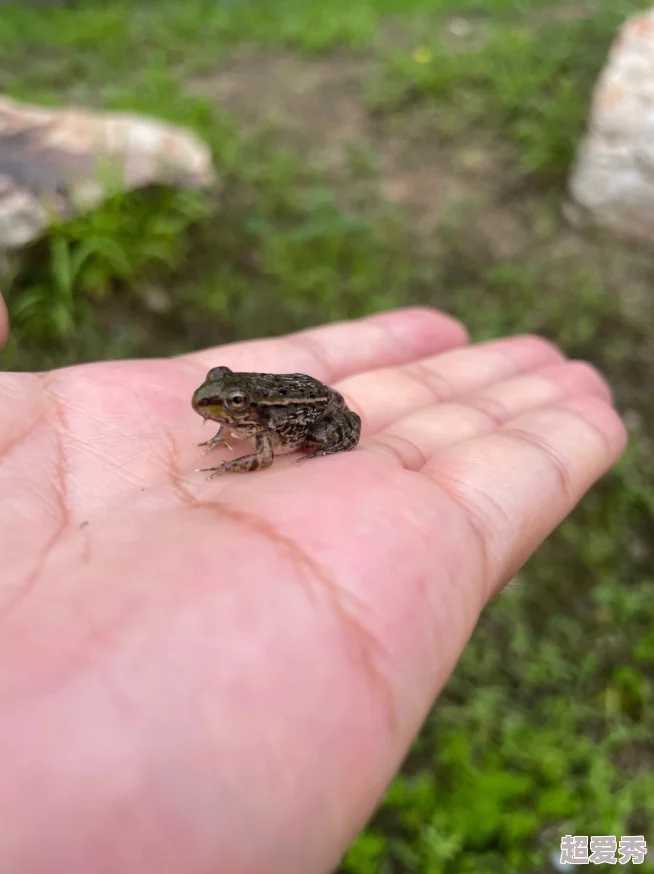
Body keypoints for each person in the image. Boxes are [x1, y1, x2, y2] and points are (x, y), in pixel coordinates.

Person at [0, 300, 626, 874]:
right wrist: (230, 430)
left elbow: (263, 454)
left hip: (319, 410)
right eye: (224, 399)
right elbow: (242, 427)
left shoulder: (275, 423)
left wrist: (243, 455)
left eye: (232, 406)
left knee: (331, 433)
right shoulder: (242, 408)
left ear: (252, 408)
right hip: (294, 398)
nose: (219, 405)